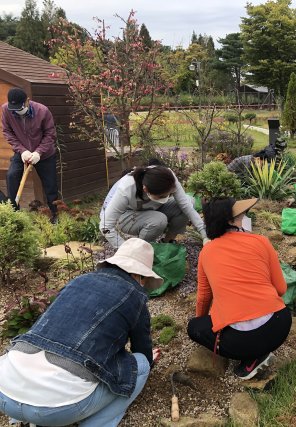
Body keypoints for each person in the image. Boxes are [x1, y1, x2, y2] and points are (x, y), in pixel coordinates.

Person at [0, 238, 162, 426]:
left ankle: (21, 418)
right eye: (144, 280)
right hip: (54, 411)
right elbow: (142, 352)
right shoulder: (135, 296)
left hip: (5, 394)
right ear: (138, 276)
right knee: (140, 365)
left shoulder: (79, 280)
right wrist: (148, 360)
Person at [187, 197, 292, 380]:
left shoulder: (207, 253)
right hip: (279, 325)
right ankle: (258, 352)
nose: (244, 216)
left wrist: (204, 320)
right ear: (230, 220)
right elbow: (281, 289)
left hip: (239, 342)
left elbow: (203, 297)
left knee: (194, 327)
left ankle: (252, 357)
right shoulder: (261, 241)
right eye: (240, 215)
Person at [100, 165, 208, 248]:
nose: (167, 197)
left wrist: (205, 236)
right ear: (146, 190)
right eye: (162, 196)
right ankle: (141, 249)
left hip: (151, 209)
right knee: (158, 220)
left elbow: (186, 206)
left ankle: (167, 243)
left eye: (169, 194)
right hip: (125, 215)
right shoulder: (126, 189)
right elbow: (105, 226)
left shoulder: (168, 178)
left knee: (190, 201)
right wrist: (125, 249)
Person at [1, 87, 58, 222]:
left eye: (19, 107)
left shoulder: (42, 111)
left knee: (51, 186)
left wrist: (38, 152)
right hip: (22, 153)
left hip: (44, 155)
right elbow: (8, 132)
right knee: (11, 176)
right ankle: (14, 215)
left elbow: (50, 134)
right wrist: (22, 150)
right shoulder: (6, 110)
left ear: (27, 101)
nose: (17, 111)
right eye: (13, 108)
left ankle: (56, 216)